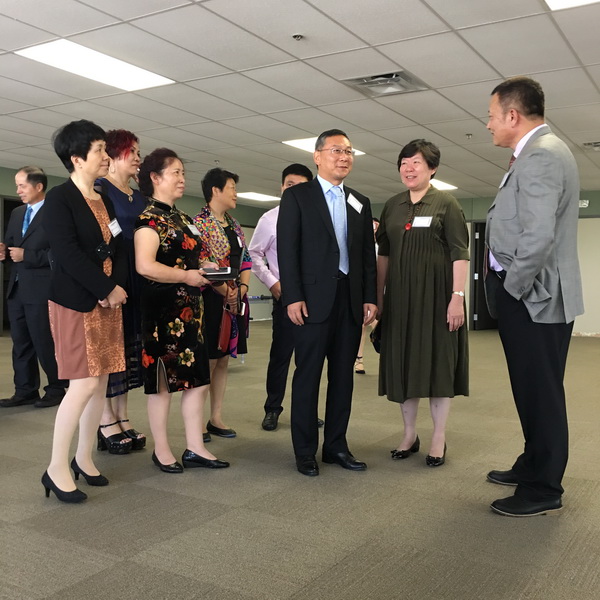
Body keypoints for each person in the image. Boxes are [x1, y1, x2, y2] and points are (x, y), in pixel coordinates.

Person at [484, 76, 583, 517]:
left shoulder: (541, 154)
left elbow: (538, 237)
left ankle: (543, 488)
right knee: (532, 389)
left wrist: (512, 288)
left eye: (491, 116)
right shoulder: (535, 153)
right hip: (535, 297)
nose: (488, 124)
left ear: (512, 115)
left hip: (533, 298)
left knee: (540, 394)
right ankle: (533, 463)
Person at [277, 129, 377, 476]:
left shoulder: (360, 201)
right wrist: (293, 296)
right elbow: (287, 250)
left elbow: (366, 256)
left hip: (349, 302)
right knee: (307, 376)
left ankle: (336, 446)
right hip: (311, 302)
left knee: (343, 378)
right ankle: (305, 450)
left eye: (349, 151)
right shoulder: (298, 196)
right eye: (336, 150)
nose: (344, 157)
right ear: (317, 156)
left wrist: (369, 296)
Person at [41, 119, 128, 503]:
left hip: (107, 302)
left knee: (101, 382)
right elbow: (67, 254)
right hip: (76, 302)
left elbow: (117, 246)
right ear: (76, 158)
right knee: (83, 384)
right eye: (99, 151)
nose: (107, 157)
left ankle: (84, 457)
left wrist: (115, 288)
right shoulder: (60, 198)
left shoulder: (103, 198)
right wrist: (105, 288)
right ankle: (55, 467)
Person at [134, 148, 229, 473]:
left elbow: (193, 257)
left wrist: (206, 266)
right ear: (155, 177)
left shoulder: (184, 219)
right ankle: (161, 450)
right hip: (162, 314)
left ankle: (195, 447)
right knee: (163, 385)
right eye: (175, 172)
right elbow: (145, 266)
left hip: (191, 312)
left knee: (198, 381)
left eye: (182, 173)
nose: (182, 178)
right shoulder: (149, 220)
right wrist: (186, 276)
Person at [376, 140, 469, 468]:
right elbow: (383, 255)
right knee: (404, 366)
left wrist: (457, 298)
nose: (408, 168)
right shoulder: (392, 205)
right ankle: (409, 434)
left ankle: (438, 437)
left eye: (416, 162)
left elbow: (460, 254)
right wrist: (379, 297)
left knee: (438, 367)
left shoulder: (447, 204)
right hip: (400, 300)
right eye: (404, 162)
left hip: (437, 300)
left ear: (432, 168)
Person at [249, 164, 314, 431]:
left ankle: (305, 412)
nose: (294, 190)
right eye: (289, 185)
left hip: (314, 298)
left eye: (301, 186)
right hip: (286, 296)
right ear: (281, 187)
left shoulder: (317, 219)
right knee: (281, 356)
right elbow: (254, 254)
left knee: (309, 360)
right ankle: (272, 408)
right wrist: (272, 282)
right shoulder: (270, 219)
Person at [96, 129, 147, 454]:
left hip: (136, 278)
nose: (138, 158)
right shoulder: (100, 190)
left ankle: (122, 416)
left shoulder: (138, 195)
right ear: (114, 155)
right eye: (133, 152)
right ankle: (105, 421)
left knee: (129, 347)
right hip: (113, 276)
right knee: (109, 349)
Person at [0, 167, 67, 409]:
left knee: (44, 341)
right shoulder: (17, 213)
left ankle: (56, 388)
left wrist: (27, 255)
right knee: (20, 342)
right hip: (17, 288)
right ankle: (25, 390)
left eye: (22, 185)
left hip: (42, 288)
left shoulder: (56, 212)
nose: (18, 190)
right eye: (17, 185)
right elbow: (12, 246)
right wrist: (4, 252)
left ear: (38, 186)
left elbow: (62, 253)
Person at [194, 168, 251, 442]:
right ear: (215, 190)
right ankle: (197, 422)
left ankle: (215, 417)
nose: (235, 193)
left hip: (234, 298)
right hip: (209, 299)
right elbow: (200, 262)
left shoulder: (234, 224)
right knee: (208, 360)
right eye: (231, 188)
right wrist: (223, 290)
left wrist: (242, 288)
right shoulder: (199, 224)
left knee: (223, 359)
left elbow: (246, 259)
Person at [354, 217, 380, 375]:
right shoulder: (361, 247)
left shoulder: (381, 247)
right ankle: (359, 359)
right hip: (364, 290)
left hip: (379, 290)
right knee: (362, 325)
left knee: (377, 324)